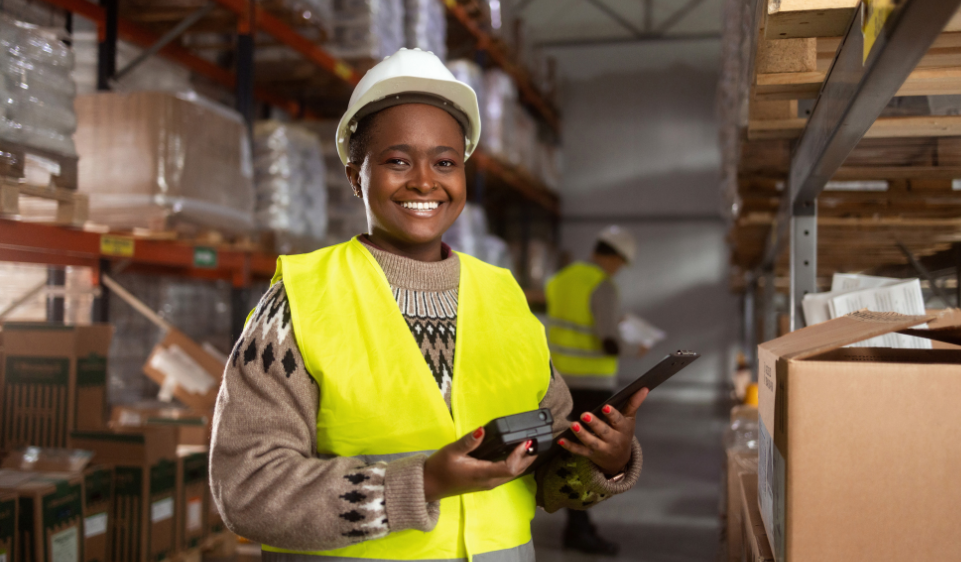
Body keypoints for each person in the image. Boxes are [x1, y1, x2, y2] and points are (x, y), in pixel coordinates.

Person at [209, 49, 648, 562]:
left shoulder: (504, 297)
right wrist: (419, 483)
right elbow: (248, 489)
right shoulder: (298, 303)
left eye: (445, 162)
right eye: (398, 160)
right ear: (356, 176)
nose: (425, 180)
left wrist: (607, 461)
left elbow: (544, 474)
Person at [545, 226, 646, 555]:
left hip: (559, 381)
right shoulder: (603, 285)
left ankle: (580, 526)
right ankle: (579, 530)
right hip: (591, 384)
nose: (619, 269)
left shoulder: (561, 279)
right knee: (587, 459)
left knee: (567, 452)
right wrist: (636, 348)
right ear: (615, 257)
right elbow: (607, 341)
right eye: (621, 263)